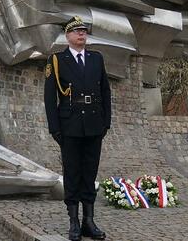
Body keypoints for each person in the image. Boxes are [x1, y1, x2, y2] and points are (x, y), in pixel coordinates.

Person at [44, 16, 111, 241]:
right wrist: (55, 128)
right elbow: (49, 97)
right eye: (77, 31)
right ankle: (73, 222)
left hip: (94, 125)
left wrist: (106, 122)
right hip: (69, 125)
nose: (81, 34)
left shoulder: (96, 59)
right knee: (72, 173)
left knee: (90, 173)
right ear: (68, 36)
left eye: (84, 31)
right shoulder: (57, 60)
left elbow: (105, 92)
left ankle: (88, 222)